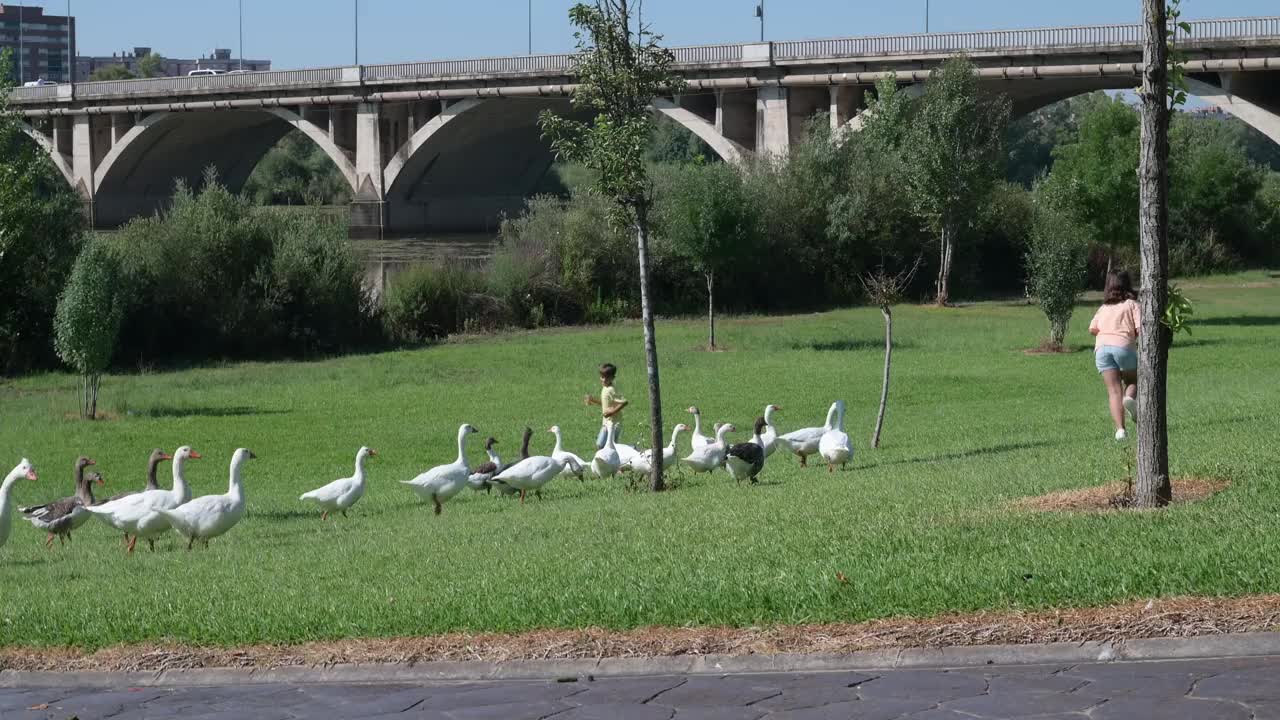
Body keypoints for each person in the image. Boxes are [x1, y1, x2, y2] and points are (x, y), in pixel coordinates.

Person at [1089, 271, 1141, 441]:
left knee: (1113, 391)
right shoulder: (1131, 304)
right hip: (1123, 346)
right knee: (1133, 380)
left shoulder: (1103, 307)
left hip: (1102, 349)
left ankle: (1120, 431)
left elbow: (1092, 329)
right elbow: (1141, 329)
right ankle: (1129, 398)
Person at [585, 363, 628, 449]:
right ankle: (609, 461)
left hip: (613, 424)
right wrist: (593, 400)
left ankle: (632, 451)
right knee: (608, 447)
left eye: (606, 378)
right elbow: (607, 403)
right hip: (607, 423)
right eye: (602, 377)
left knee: (600, 445)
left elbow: (624, 402)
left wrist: (611, 412)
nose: (603, 380)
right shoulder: (605, 388)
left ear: (612, 378)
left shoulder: (611, 390)